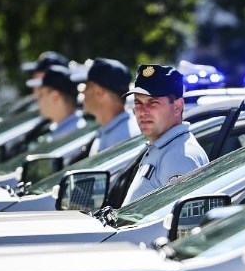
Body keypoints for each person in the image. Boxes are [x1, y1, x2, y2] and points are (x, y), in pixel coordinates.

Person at [123, 63, 209, 203]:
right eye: (138, 103)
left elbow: (183, 223)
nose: (143, 111)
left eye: (153, 102)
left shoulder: (180, 157)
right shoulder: (166, 147)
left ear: (177, 107)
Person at [72, 58, 139, 153]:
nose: (82, 91)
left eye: (87, 86)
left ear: (99, 92)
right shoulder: (115, 131)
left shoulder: (123, 137)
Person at [25, 64, 85, 140]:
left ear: (55, 97)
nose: (38, 100)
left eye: (41, 95)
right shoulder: (63, 130)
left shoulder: (72, 135)